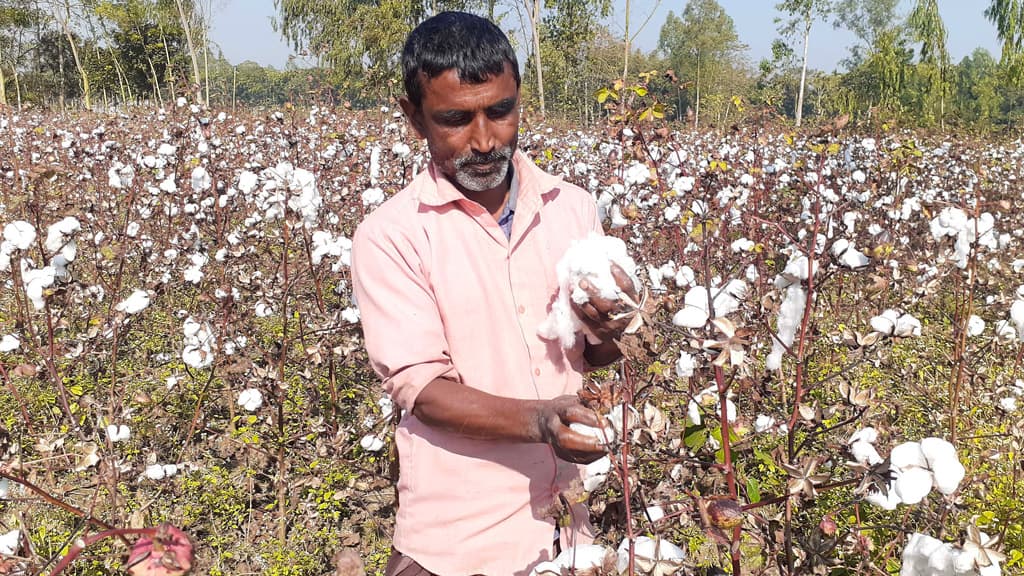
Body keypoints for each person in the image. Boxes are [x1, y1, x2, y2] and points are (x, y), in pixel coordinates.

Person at [351, 11, 636, 576]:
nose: (483, 141)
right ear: (414, 117)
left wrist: (608, 329)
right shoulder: (391, 236)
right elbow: (424, 390)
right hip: (454, 544)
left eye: (499, 112)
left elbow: (595, 356)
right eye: (455, 119)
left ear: (519, 100)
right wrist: (542, 423)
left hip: (564, 532)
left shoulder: (573, 209)